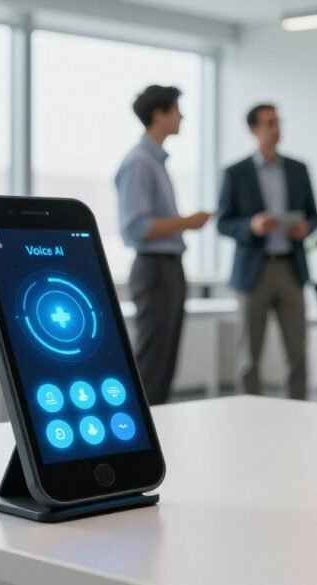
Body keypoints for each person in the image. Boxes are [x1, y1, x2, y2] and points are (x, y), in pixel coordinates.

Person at [116, 85, 212, 405]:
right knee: (153, 361)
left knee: (165, 360)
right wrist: (186, 222)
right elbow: (136, 226)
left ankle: (158, 433)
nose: (182, 115)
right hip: (154, 267)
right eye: (176, 109)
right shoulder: (140, 163)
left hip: (169, 266)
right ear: (159, 114)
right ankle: (141, 437)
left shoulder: (155, 161)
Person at [217, 104, 317, 399]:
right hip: (254, 270)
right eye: (269, 123)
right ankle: (246, 412)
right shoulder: (236, 173)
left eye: (278, 122)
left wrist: (305, 228)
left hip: (290, 267)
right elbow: (223, 223)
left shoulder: (298, 170)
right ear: (253, 129)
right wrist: (252, 225)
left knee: (298, 354)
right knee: (249, 355)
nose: (276, 129)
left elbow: (314, 215)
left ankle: (300, 412)